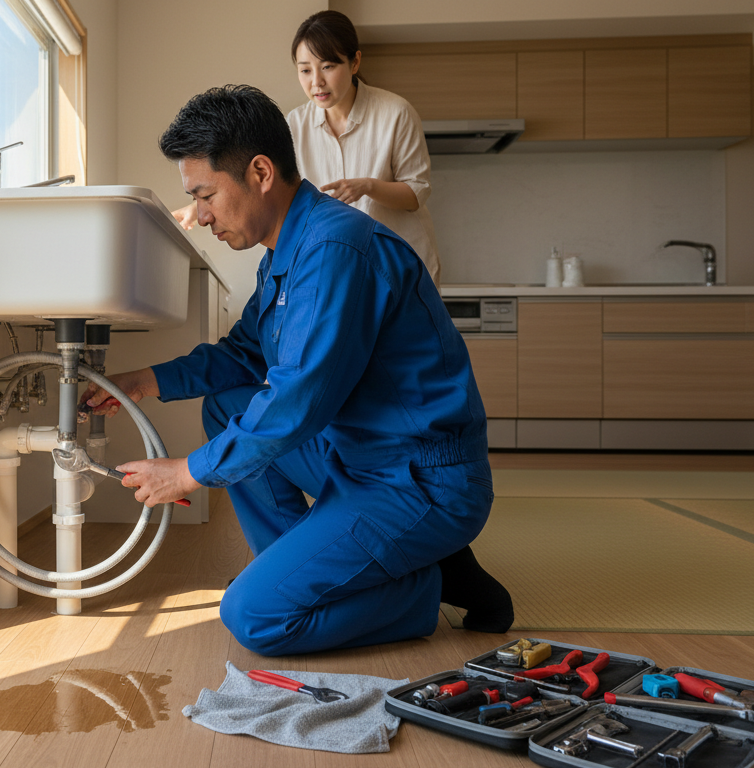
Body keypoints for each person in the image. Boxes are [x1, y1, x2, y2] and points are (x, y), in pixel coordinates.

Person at [83, 85, 513, 657]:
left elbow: (298, 399)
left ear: (260, 172)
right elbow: (243, 354)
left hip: (420, 480)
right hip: (360, 458)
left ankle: (425, 585)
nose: (201, 215)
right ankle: (312, 569)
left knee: (254, 617)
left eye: (206, 195)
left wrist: (187, 473)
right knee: (227, 404)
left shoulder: (335, 248)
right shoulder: (286, 253)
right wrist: (144, 381)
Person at [173, 10, 442, 285]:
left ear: (355, 62)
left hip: (398, 264)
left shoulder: (395, 113)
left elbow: (416, 192)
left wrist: (367, 186)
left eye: (328, 67)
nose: (316, 82)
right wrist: (200, 204)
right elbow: (249, 174)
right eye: (305, 70)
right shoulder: (295, 124)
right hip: (341, 268)